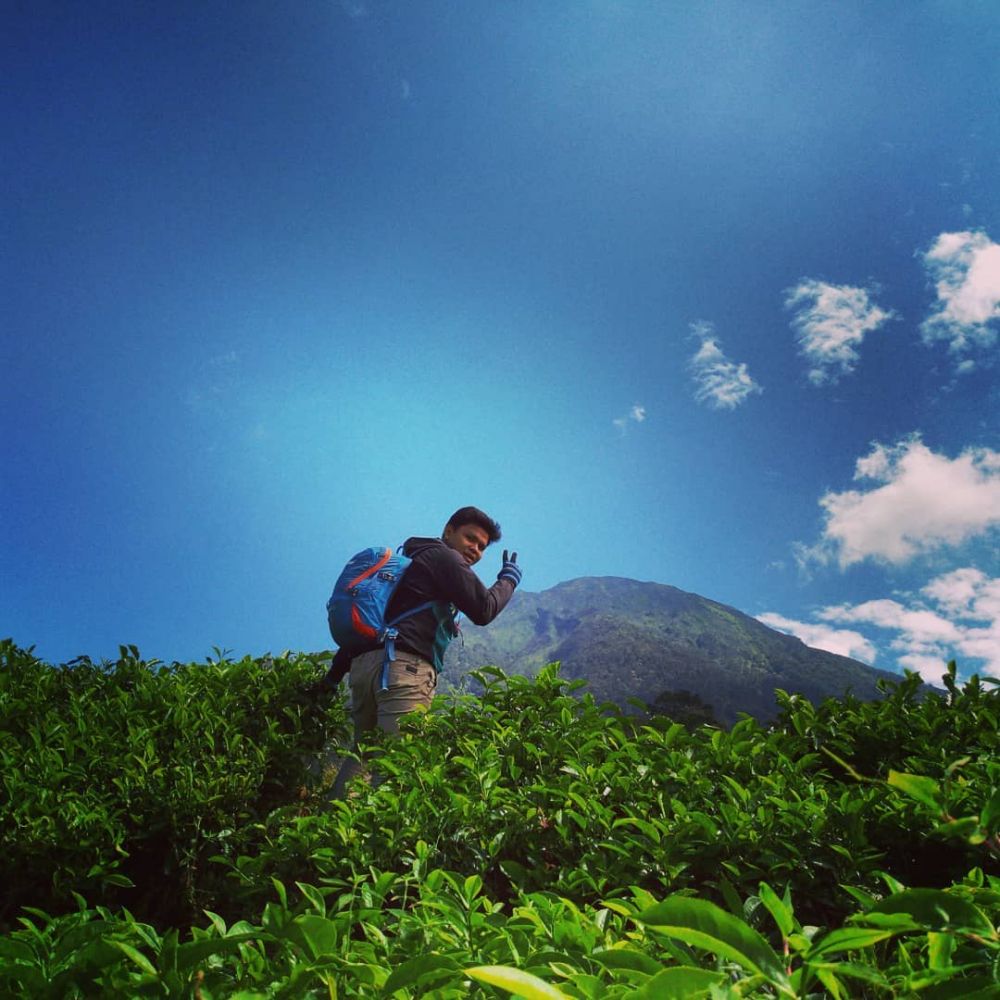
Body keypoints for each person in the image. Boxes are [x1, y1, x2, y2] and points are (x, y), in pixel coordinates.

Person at [323, 506, 521, 799]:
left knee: (361, 757)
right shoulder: (444, 557)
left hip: (365, 670)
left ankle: (326, 834)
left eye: (481, 547)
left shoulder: (410, 563)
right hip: (404, 670)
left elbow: (374, 619)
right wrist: (508, 580)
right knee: (397, 769)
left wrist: (331, 679)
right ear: (448, 531)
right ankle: (378, 842)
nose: (475, 550)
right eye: (470, 538)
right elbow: (483, 609)